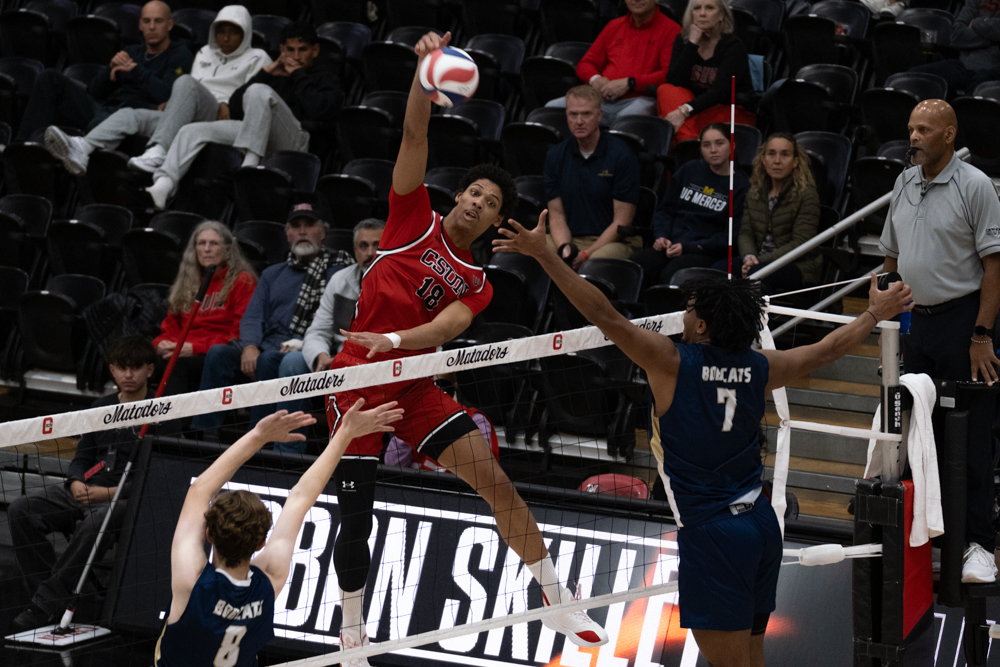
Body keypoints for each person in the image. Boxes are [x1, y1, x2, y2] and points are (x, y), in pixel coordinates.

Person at [494, 215, 914, 667]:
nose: (684, 313)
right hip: (760, 525)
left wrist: (543, 256)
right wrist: (873, 313)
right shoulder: (760, 366)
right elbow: (829, 349)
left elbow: (602, 314)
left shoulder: (670, 361)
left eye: (690, 309)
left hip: (715, 535)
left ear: (700, 327)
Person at [324, 31, 609, 665]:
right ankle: (350, 629)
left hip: (413, 380)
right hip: (356, 385)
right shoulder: (410, 216)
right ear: (461, 196)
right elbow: (414, 138)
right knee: (356, 519)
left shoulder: (479, 283)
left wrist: (397, 340)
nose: (479, 203)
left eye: (492, 203)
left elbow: (445, 330)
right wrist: (425, 78)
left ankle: (556, 596)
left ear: (493, 220)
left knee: (496, 481)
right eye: (475, 193)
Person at [153, 402, 404, 667]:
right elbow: (300, 498)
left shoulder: (191, 583)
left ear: (209, 534)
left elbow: (199, 491)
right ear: (262, 542)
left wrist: (258, 435)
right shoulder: (269, 581)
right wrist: (345, 434)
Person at [880, 99, 1000, 582]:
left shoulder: (976, 187)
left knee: (968, 437)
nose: (913, 137)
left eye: (924, 130)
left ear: (949, 135)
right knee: (913, 434)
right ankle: (919, 537)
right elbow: (890, 259)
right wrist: (886, 322)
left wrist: (981, 334)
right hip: (917, 325)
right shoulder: (904, 183)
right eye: (911, 129)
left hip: (963, 322)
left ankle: (978, 546)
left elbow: (995, 266)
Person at [9, 337, 179, 632]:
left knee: (99, 521)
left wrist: (111, 493)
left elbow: (158, 475)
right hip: (87, 490)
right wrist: (75, 481)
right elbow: (83, 455)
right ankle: (53, 596)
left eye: (135, 368)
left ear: (150, 370)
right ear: (112, 370)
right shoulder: (100, 406)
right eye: (122, 368)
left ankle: (44, 604)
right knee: (22, 508)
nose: (128, 375)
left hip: (131, 499)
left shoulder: (165, 412)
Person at [44, 4, 270, 177]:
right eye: (221, 31)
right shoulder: (204, 53)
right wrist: (110, 69)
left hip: (223, 117)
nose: (226, 38)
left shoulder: (258, 58)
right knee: (128, 114)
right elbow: (96, 90)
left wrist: (226, 105)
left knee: (184, 84)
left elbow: (256, 101)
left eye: (234, 32)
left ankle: (159, 150)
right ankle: (83, 147)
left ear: (246, 33)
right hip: (188, 113)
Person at [190, 204, 346, 446]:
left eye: (309, 225)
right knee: (219, 353)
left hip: (311, 345)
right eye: (296, 226)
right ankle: (204, 436)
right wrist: (250, 346)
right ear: (287, 234)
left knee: (268, 360)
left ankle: (258, 440)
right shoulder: (273, 273)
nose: (302, 231)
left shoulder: (338, 270)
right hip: (268, 343)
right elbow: (252, 317)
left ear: (322, 232)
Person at [145, 21, 342, 209]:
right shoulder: (275, 74)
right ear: (282, 50)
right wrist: (266, 72)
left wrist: (298, 75)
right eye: (290, 50)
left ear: (315, 50)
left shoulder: (325, 76)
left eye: (303, 50)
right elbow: (236, 107)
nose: (296, 56)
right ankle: (163, 186)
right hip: (258, 134)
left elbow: (320, 111)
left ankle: (248, 168)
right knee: (191, 130)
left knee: (259, 91)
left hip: (298, 140)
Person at [15, 1, 192, 141]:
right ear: (140, 25)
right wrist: (111, 69)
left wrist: (136, 72)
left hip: (135, 116)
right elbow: (95, 91)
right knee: (49, 77)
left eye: (158, 21)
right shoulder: (131, 51)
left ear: (169, 25)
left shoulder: (180, 56)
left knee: (118, 113)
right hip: (104, 109)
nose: (152, 27)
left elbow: (169, 95)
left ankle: (80, 150)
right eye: (147, 21)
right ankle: (23, 147)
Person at [630, 123, 749, 289]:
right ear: (700, 149)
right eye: (706, 145)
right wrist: (661, 236)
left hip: (706, 252)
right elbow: (666, 210)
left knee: (674, 275)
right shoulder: (689, 169)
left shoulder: (741, 186)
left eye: (719, 143)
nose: (713, 150)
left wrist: (689, 247)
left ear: (732, 146)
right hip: (672, 244)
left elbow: (731, 237)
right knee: (636, 266)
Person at [153, 221, 257, 396]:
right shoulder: (187, 282)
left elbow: (239, 336)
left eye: (214, 243)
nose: (207, 249)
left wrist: (196, 348)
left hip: (216, 353)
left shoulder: (242, 281)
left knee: (177, 366)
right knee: (142, 360)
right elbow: (170, 326)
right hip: (183, 350)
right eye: (201, 243)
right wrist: (161, 343)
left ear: (227, 249)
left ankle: (175, 423)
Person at [544, 85, 641, 269]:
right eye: (573, 114)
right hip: (570, 238)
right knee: (529, 249)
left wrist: (586, 255)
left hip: (612, 242)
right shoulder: (555, 156)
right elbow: (556, 215)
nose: (579, 121)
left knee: (594, 264)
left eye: (586, 114)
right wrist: (566, 249)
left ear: (599, 115)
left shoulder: (622, 156)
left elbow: (622, 222)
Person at [544, 0, 681, 124]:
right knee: (552, 109)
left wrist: (630, 83)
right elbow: (586, 64)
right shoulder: (614, 26)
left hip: (640, 99)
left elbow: (668, 75)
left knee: (628, 119)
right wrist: (595, 80)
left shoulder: (672, 31)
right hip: (600, 97)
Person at [721, 132, 820, 294]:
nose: (777, 161)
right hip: (756, 260)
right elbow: (746, 232)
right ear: (763, 158)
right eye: (771, 154)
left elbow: (801, 244)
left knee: (757, 274)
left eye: (785, 155)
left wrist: (758, 261)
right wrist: (748, 257)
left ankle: (762, 320)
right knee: (719, 270)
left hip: (797, 265)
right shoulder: (755, 191)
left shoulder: (807, 195)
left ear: (795, 162)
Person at [657, 0, 756, 143]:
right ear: (691, 14)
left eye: (709, 8)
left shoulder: (733, 46)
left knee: (675, 126)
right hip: (693, 112)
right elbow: (675, 82)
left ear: (721, 15)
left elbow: (720, 91)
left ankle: (686, 146)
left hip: (726, 110)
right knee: (666, 90)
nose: (702, 13)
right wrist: (692, 44)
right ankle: (689, 145)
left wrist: (685, 110)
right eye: (697, 8)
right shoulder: (683, 41)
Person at [297, 219, 385, 376]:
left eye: (377, 245)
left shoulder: (404, 283)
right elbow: (317, 331)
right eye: (363, 246)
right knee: (292, 363)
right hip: (344, 363)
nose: (370, 253)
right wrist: (320, 356)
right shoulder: (340, 280)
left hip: (388, 364)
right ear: (355, 250)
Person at [908, 0, 1000, 95]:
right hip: (964, 65)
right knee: (914, 77)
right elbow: (956, 36)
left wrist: (976, 23)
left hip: (993, 69)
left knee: (976, 91)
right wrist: (993, 38)